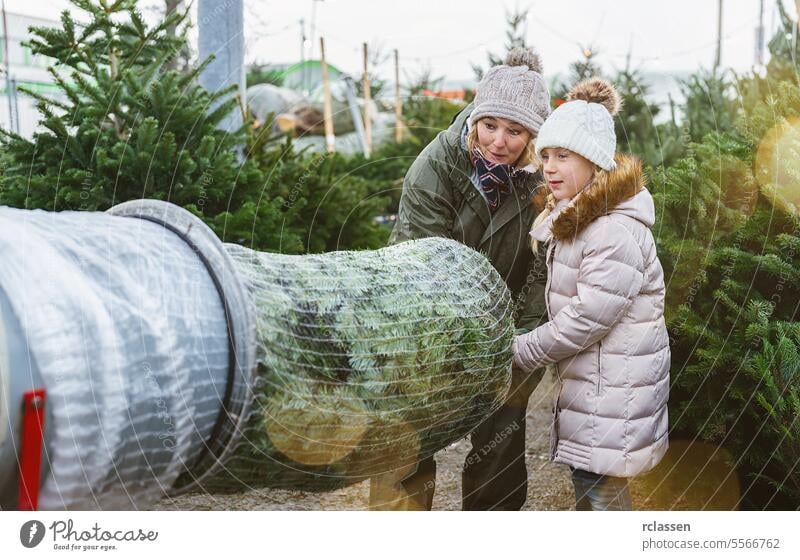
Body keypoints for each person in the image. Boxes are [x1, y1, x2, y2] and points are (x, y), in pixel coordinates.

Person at [369, 47, 552, 511]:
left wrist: (522, 343)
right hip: (426, 316)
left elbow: (542, 265)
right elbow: (423, 259)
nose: (498, 141)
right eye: (490, 124)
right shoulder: (437, 165)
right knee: (406, 437)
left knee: (501, 438)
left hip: (505, 326)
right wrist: (450, 344)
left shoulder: (543, 180)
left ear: (532, 135)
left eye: (515, 131)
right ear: (475, 117)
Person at [512, 78, 670, 511]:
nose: (549, 166)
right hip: (600, 392)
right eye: (545, 155)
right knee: (593, 494)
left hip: (613, 397)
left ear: (594, 161)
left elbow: (587, 317)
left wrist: (521, 350)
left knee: (601, 499)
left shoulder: (611, 231)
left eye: (563, 155)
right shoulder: (579, 220)